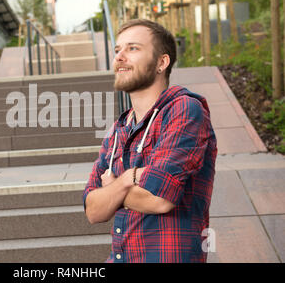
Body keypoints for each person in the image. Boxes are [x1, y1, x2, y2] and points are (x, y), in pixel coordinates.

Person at [83, 19, 217, 263]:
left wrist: (112, 191)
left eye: (132, 48)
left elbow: (160, 199)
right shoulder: (118, 130)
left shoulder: (184, 110)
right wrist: (129, 178)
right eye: (117, 50)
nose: (120, 57)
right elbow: (93, 210)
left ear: (161, 63)